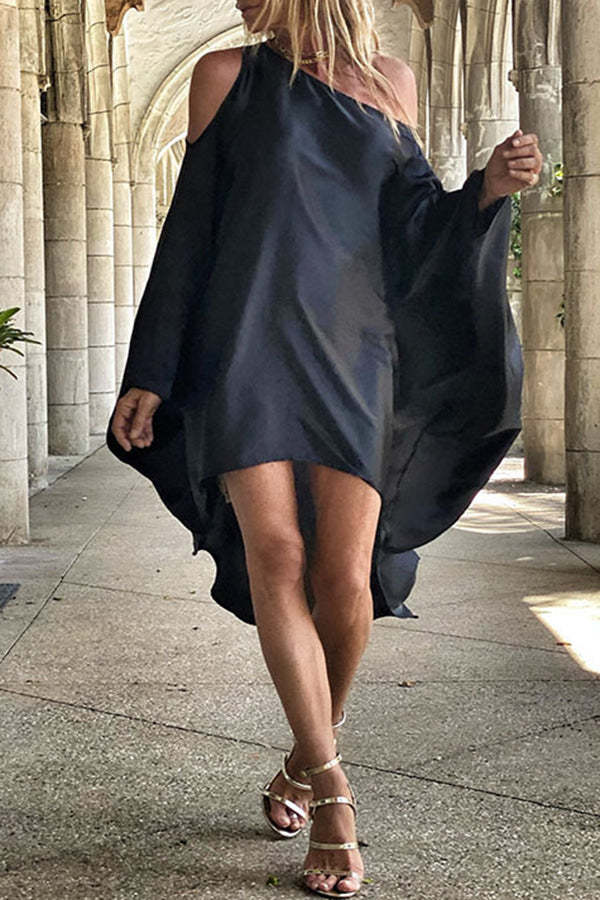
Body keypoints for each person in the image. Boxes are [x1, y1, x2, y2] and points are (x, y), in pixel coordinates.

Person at [107, 1, 542, 895]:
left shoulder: (392, 82)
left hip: (357, 351)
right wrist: (150, 368)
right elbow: (192, 225)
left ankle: (303, 758)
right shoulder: (226, 76)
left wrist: (486, 191)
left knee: (346, 575)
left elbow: (413, 226)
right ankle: (334, 794)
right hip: (245, 345)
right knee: (278, 553)